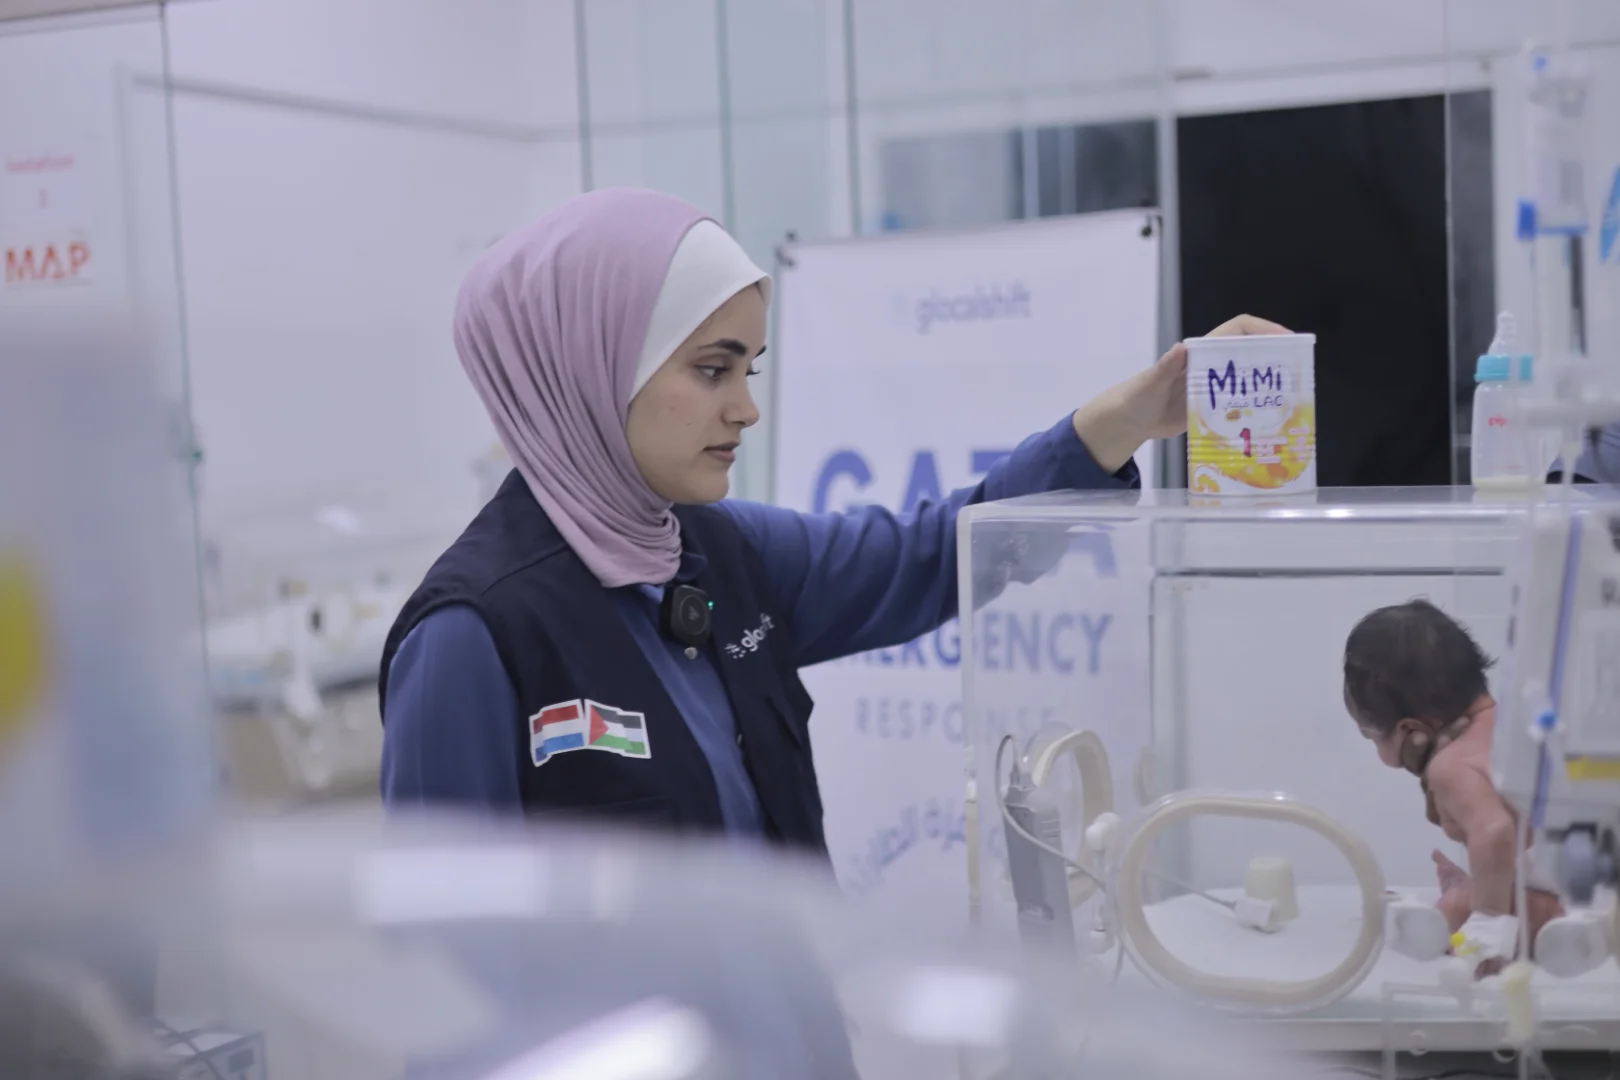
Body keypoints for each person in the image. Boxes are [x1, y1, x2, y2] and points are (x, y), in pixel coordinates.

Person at [378, 186, 1287, 850]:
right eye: (711, 370)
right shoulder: (473, 635)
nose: (745, 410)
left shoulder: (721, 554)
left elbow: (942, 550)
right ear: (588, 365)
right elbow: (454, 974)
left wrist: (1131, 416)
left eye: (752, 372)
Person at [1342, 598, 1563, 975]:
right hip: (1588, 870)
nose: (1380, 755)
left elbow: (1494, 832)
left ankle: (1466, 908)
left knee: (1459, 909)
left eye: (1374, 739)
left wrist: (1489, 922)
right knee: (1489, 884)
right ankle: (1483, 893)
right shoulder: (1514, 718)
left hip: (1587, 902)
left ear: (1412, 731)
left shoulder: (1450, 767)